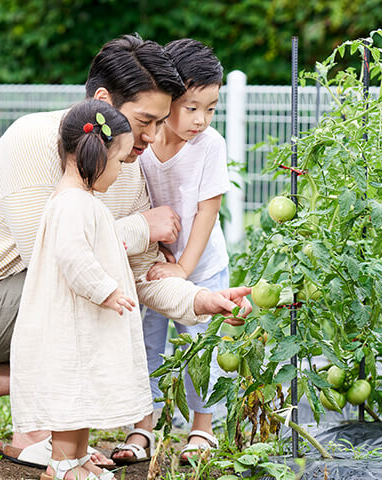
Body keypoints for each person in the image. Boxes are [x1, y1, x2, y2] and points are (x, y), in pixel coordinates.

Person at [0, 34, 253, 469]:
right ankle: (39, 433)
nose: (152, 137)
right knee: (91, 292)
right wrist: (140, 227)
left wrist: (198, 300)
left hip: (19, 306)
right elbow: (55, 259)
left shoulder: (128, 169)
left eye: (160, 122)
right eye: (144, 121)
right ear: (103, 101)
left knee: (112, 296)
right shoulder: (34, 140)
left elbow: (142, 277)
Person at [111, 38, 230, 466]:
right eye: (192, 106)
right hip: (153, 265)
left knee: (200, 346)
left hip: (201, 266)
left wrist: (183, 266)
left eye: (211, 108)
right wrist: (160, 260)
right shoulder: (145, 141)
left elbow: (206, 212)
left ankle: (202, 427)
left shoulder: (209, 146)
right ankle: (142, 424)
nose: (201, 119)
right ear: (169, 97)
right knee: (144, 342)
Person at [11, 100, 143, 480]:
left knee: (81, 392)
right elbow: (72, 256)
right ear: (95, 156)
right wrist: (106, 290)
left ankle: (78, 457)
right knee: (70, 394)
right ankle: (62, 465)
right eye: (119, 162)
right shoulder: (73, 203)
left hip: (79, 320)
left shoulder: (81, 200)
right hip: (71, 321)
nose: (119, 172)